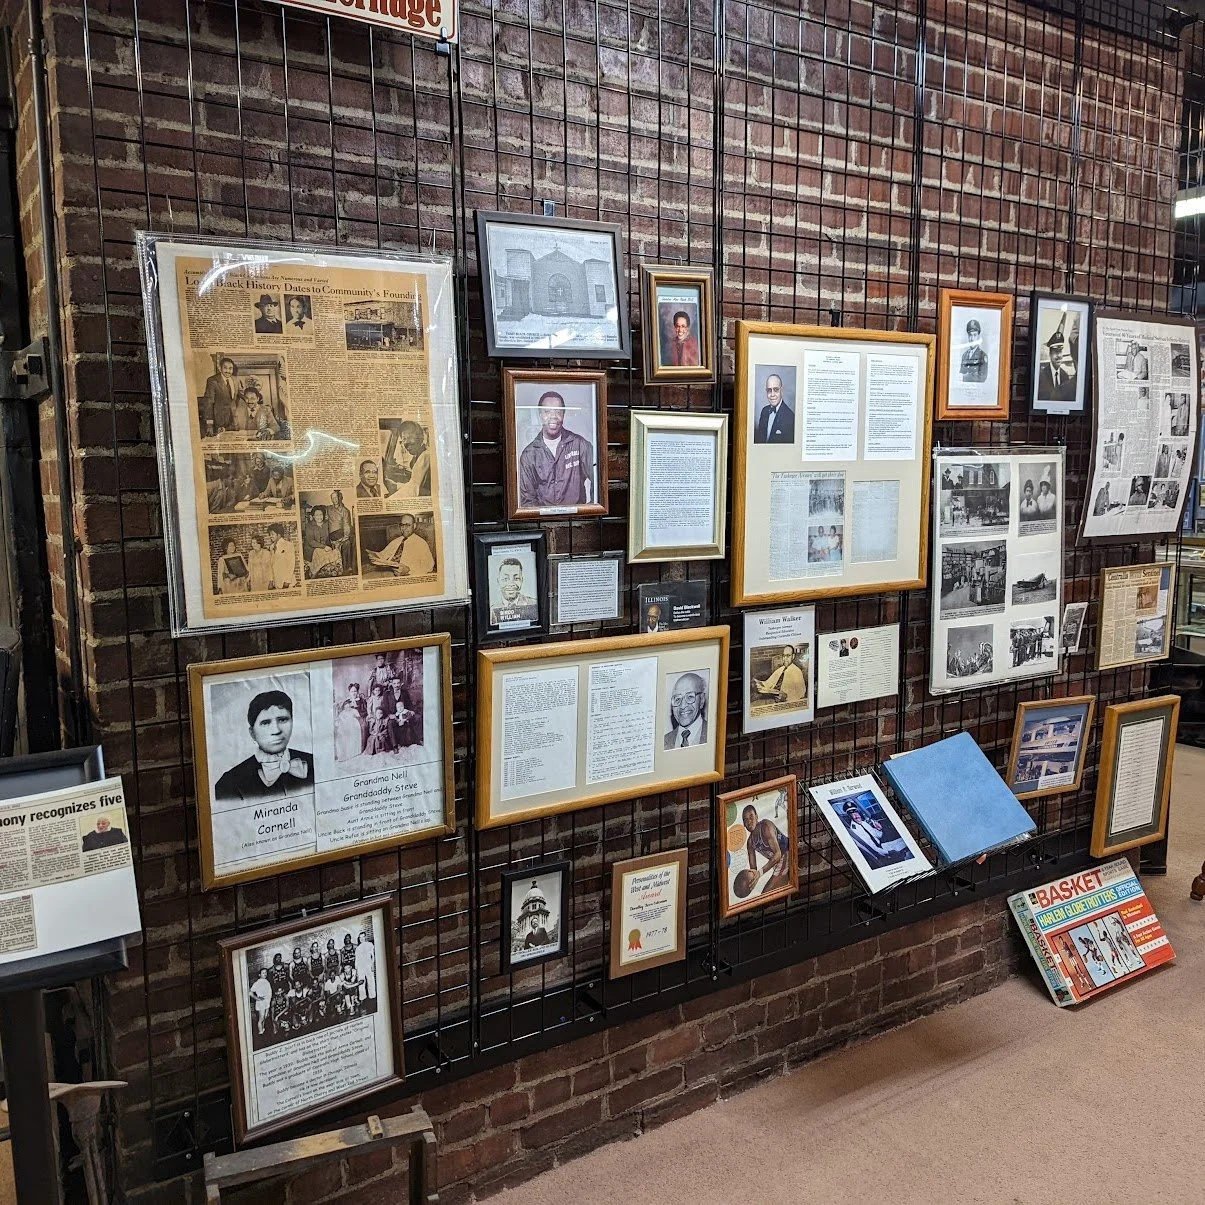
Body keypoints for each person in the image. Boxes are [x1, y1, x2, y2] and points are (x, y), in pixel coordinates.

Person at [213, 689, 314, 801]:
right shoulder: (229, 783)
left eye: (283, 720)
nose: (276, 730)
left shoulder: (314, 763)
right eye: (265, 723)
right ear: (252, 733)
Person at [517, 390, 595, 509]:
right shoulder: (529, 455)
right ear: (540, 416)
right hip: (543, 523)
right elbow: (527, 501)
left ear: (563, 415)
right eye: (547, 411)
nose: (553, 416)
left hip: (577, 521)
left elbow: (599, 479)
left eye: (558, 411)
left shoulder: (580, 445)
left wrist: (590, 510)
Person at [737, 802, 791, 897]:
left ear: (757, 817)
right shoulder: (750, 842)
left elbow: (778, 854)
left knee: (765, 894)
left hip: (787, 853)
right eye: (745, 820)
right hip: (778, 862)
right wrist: (751, 880)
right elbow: (754, 870)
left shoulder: (766, 826)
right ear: (744, 824)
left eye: (751, 817)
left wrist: (760, 873)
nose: (749, 821)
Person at [366, 513, 435, 577]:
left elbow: (429, 566)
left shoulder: (421, 543)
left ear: (414, 526)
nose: (404, 528)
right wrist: (374, 555)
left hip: (407, 575)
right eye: (402, 525)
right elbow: (383, 555)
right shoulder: (397, 540)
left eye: (407, 525)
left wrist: (409, 570)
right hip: (388, 571)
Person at [383, 421, 431, 498]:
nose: (406, 442)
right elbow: (414, 484)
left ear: (421, 438)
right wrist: (396, 486)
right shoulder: (416, 458)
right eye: (404, 438)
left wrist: (388, 501)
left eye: (410, 437)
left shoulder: (425, 456)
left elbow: (414, 489)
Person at [664, 671, 707, 749]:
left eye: (690, 697)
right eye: (677, 699)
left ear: (702, 700)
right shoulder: (663, 742)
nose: (683, 706)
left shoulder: (715, 734)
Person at [490, 557, 538, 625]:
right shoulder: (491, 608)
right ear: (498, 581)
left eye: (516, 578)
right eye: (505, 579)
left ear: (522, 580)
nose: (511, 584)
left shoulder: (533, 605)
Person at [200, 357, 239, 436]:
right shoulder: (212, 381)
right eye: (225, 368)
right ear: (220, 368)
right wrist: (209, 424)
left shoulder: (236, 380)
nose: (228, 371)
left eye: (230, 368)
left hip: (233, 422)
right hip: (218, 421)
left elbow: (239, 396)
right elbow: (208, 403)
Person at [753, 372, 794, 443]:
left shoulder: (790, 416)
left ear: (781, 390)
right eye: (769, 390)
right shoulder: (764, 411)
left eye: (776, 390)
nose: (772, 394)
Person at [336, 682, 368, 759]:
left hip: (359, 718)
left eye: (355, 691)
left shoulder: (362, 701)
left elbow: (365, 711)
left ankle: (359, 748)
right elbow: (343, 712)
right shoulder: (347, 701)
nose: (353, 693)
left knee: (362, 726)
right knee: (343, 728)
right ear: (349, 692)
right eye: (352, 691)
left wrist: (357, 713)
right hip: (348, 719)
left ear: (357, 692)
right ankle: (347, 750)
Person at [327, 489, 354, 572]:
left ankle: (347, 567)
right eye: (333, 498)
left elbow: (346, 525)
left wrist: (345, 537)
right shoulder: (328, 509)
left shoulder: (345, 511)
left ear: (340, 498)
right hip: (330, 536)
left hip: (341, 534)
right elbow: (318, 510)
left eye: (336, 497)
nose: (334, 500)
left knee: (347, 543)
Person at [249, 969, 273, 1036]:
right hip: (261, 1002)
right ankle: (260, 1033)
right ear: (259, 975)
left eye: (265, 972)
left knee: (265, 1017)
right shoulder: (257, 983)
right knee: (261, 1018)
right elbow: (250, 993)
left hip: (266, 1001)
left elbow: (269, 992)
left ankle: (263, 1029)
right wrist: (257, 998)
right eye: (263, 973)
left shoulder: (266, 981)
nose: (265, 974)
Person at [354, 933, 376, 1003]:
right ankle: (362, 997)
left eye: (363, 937)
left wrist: (372, 965)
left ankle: (372, 996)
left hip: (368, 965)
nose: (361, 939)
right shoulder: (358, 948)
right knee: (361, 982)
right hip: (361, 966)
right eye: (360, 937)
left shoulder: (370, 944)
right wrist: (357, 969)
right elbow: (356, 959)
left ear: (365, 937)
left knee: (371, 980)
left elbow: (373, 955)